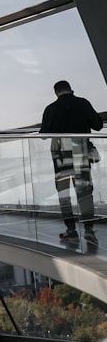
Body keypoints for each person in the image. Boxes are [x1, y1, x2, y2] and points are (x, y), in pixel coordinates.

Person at [40, 80, 104, 245]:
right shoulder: (82, 103)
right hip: (80, 153)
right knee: (84, 191)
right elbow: (97, 125)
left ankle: (71, 230)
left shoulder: (51, 109)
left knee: (64, 194)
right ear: (70, 90)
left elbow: (44, 134)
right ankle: (89, 230)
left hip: (60, 156)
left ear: (56, 92)